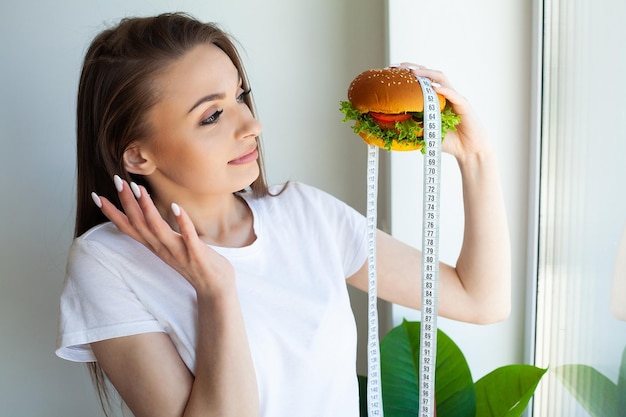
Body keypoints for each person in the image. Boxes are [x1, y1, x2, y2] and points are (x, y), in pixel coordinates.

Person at [55, 12, 511, 417]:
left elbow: (480, 300)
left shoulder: (305, 215)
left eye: (241, 96)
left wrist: (476, 158)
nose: (252, 125)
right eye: (212, 116)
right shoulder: (106, 263)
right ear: (137, 156)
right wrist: (216, 289)